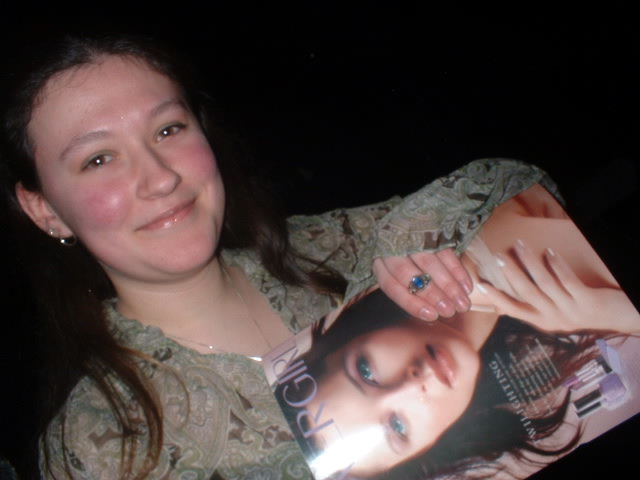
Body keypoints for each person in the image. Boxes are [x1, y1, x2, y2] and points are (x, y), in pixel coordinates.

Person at [0, 33, 555, 479]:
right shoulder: (99, 444)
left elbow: (524, 186)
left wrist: (416, 242)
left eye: (169, 129)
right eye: (98, 159)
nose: (160, 178)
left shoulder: (323, 249)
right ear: (44, 209)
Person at [279, 184, 640, 479]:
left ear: (353, 335)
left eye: (366, 370)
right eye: (398, 427)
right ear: (429, 448)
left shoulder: (499, 258)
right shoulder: (545, 328)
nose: (412, 385)